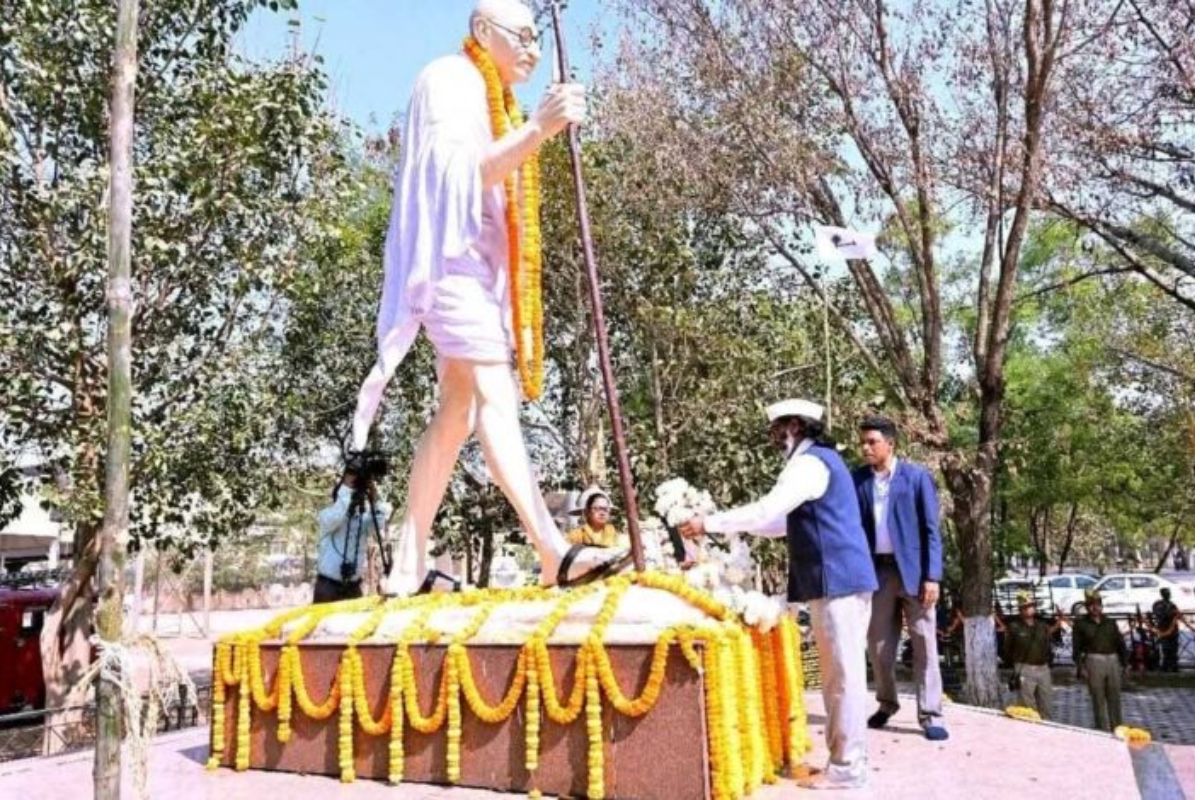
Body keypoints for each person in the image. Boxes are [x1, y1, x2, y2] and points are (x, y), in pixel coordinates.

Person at [348, 0, 629, 594]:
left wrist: (537, 127)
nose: (533, 49)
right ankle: (552, 551)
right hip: (447, 265)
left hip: (479, 272)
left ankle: (407, 565)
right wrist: (540, 129)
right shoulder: (449, 79)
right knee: (494, 399)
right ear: (481, 30)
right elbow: (458, 177)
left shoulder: (497, 96)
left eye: (536, 38)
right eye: (521, 36)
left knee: (457, 412)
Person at [679, 398, 877, 790]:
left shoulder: (808, 465)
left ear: (795, 427)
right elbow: (779, 523)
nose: (773, 438)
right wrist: (726, 526)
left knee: (842, 679)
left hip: (837, 581)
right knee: (842, 677)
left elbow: (767, 510)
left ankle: (847, 769)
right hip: (840, 581)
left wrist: (709, 523)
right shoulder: (819, 462)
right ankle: (846, 762)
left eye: (777, 430)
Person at [852, 415, 947, 741]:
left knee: (924, 644)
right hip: (877, 573)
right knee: (878, 647)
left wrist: (932, 576)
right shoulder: (857, 480)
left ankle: (931, 714)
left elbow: (931, 530)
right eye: (863, 442)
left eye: (872, 442)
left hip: (915, 574)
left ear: (890, 444)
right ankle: (886, 703)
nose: (865, 448)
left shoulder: (916, 478)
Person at [313, 465, 392, 604]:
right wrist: (347, 486)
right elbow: (338, 514)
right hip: (328, 588)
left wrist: (374, 498)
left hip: (353, 588)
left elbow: (379, 522)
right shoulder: (327, 516)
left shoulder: (363, 521)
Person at [1072, 591, 1127, 731]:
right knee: (1098, 697)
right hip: (1094, 660)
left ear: (1102, 606)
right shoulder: (1080, 624)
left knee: (1115, 696)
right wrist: (1080, 666)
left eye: (1098, 604)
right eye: (1091, 605)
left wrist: (1125, 663)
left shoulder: (1110, 622)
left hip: (1112, 659)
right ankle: (1102, 729)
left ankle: (1117, 727)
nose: (1095, 608)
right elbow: (1076, 647)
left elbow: (1120, 643)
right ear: (1087, 607)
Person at [1004, 592, 1064, 719]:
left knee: (1046, 703)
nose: (1029, 609)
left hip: (1043, 668)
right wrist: (1016, 666)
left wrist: (1060, 619)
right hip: (1025, 668)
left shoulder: (1041, 625)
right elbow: (1007, 649)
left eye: (1031, 606)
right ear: (1020, 610)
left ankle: (1046, 727)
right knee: (1027, 706)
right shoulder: (1014, 627)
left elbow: (1050, 632)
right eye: (1025, 607)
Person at [1151, 587, 1181, 672]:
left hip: (1173, 629)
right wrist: (1171, 613)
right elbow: (1160, 615)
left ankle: (1174, 665)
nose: (1168, 595)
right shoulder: (1158, 604)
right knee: (1166, 648)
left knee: (1174, 648)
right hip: (1164, 629)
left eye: (1169, 593)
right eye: (1166, 593)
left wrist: (1176, 614)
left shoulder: (1172, 604)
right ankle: (1165, 666)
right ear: (1162, 594)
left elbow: (1177, 614)